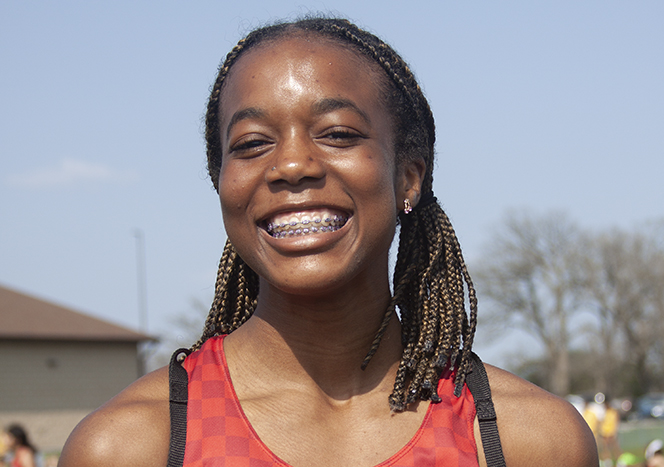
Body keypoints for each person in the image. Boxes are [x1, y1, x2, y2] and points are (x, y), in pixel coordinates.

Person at [57, 17, 598, 467]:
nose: (292, 165)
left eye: (338, 134)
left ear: (408, 177)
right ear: (222, 184)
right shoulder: (130, 447)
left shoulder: (530, 440)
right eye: (251, 143)